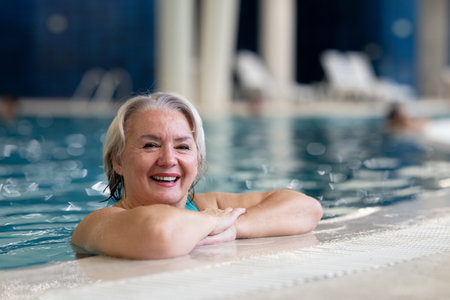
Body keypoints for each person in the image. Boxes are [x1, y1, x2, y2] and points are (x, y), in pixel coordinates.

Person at [71, 92, 323, 259]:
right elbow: (159, 234)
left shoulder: (203, 205)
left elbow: (306, 208)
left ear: (198, 161)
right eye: (150, 145)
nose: (169, 159)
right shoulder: (98, 223)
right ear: (118, 161)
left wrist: (233, 227)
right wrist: (213, 222)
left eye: (182, 147)